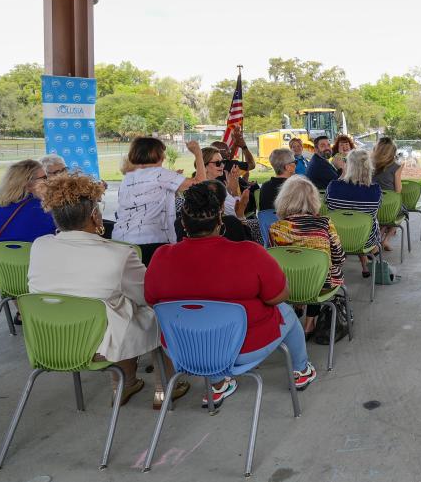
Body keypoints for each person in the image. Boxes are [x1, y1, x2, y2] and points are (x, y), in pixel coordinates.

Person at [145, 182, 317, 408]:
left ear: (183, 223)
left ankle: (217, 385)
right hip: (243, 349)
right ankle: (301, 369)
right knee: (285, 311)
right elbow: (278, 296)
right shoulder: (249, 252)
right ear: (220, 219)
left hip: (183, 350)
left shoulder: (161, 256)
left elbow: (151, 300)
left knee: (201, 318)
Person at [28, 174, 188, 408]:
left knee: (114, 310)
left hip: (51, 341)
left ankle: (125, 384)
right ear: (94, 215)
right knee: (158, 313)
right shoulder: (118, 255)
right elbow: (149, 297)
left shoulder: (39, 246)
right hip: (98, 344)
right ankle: (163, 390)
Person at [269, 175, 345, 334]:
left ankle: (297, 307)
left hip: (288, 287)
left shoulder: (275, 228)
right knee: (320, 270)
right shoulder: (325, 224)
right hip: (321, 285)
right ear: (313, 199)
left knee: (299, 269)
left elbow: (274, 264)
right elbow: (339, 257)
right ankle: (309, 323)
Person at [112, 138, 205, 265]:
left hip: (121, 240)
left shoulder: (129, 177)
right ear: (157, 154)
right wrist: (198, 154)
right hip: (148, 241)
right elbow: (200, 184)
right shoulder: (160, 174)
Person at [0, 160, 56, 278]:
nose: (48, 181)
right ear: (28, 185)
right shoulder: (43, 208)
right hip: (37, 275)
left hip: (5, 275)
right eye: (44, 177)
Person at [325, 149, 382, 277]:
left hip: (336, 239)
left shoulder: (333, 186)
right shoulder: (375, 190)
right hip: (365, 239)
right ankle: (373, 253)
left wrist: (343, 174)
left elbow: (327, 204)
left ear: (348, 165)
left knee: (349, 221)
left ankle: (364, 263)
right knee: (366, 222)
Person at [371, 137, 405, 251]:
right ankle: (385, 239)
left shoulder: (369, 165)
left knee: (385, 214)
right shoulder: (396, 167)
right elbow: (398, 191)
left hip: (372, 206)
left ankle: (378, 240)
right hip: (388, 208)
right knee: (400, 212)